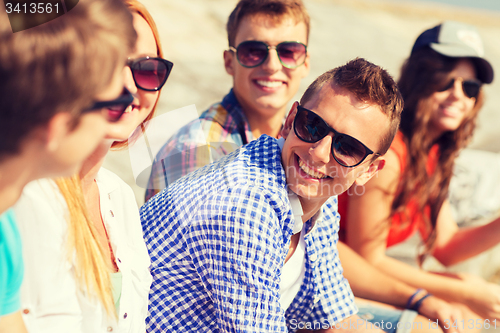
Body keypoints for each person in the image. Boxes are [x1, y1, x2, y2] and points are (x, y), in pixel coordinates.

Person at [141, 58, 403, 332]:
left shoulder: (322, 194)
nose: (319, 153)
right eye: (312, 125)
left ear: (369, 171)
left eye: (348, 147)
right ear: (290, 121)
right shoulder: (245, 206)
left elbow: (335, 318)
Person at [12, 1, 172, 332]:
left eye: (147, 69)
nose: (129, 87)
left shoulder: (120, 196)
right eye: (112, 65)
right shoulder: (23, 194)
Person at [338, 20, 498, 323]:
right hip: (330, 278)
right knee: (447, 320)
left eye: (470, 87)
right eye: (444, 80)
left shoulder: (431, 154)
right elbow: (367, 258)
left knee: (466, 315)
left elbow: (447, 246)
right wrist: (463, 291)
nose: (457, 95)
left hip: (359, 278)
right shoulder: (390, 153)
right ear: (416, 78)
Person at [144, 0, 311, 201]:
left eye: (289, 52)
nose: (272, 65)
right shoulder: (194, 151)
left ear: (305, 63)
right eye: (253, 51)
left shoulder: (306, 146)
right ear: (229, 62)